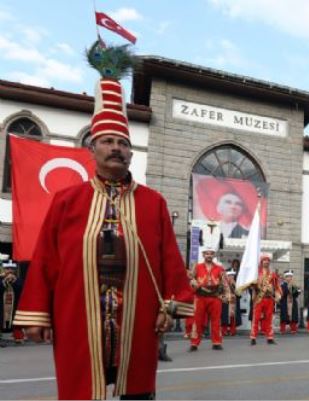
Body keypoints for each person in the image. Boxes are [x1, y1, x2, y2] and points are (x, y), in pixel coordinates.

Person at [11, 73, 195, 398]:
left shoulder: (153, 203)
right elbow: (45, 260)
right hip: (78, 314)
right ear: (92, 149)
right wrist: (37, 313)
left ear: (131, 155)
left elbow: (170, 259)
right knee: (81, 387)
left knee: (136, 387)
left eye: (123, 143)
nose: (117, 149)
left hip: (137, 316)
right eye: (108, 142)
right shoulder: (66, 201)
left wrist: (173, 305)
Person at [190, 248, 228, 351]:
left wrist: (227, 295)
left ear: (213, 256)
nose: (209, 255)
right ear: (203, 255)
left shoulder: (219, 268)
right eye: (207, 254)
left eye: (211, 254)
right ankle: (194, 343)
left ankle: (216, 342)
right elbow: (190, 278)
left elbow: (225, 283)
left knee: (216, 321)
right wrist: (193, 282)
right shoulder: (197, 267)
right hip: (200, 297)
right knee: (197, 321)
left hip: (215, 297)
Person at [250, 255, 281, 345]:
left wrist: (278, 294)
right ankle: (253, 337)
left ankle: (270, 337)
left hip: (269, 298)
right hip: (259, 298)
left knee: (269, 318)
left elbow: (277, 286)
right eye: (264, 260)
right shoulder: (256, 274)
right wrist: (255, 286)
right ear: (261, 262)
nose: (266, 262)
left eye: (268, 260)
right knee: (256, 318)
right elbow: (251, 286)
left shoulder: (272, 274)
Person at [2, 259, 25, 346]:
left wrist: (14, 282)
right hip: (2, 305)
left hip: (15, 304)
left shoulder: (18, 279)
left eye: (11, 268)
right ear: (4, 269)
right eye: (7, 268)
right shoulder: (1, 278)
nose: (10, 270)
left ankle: (18, 336)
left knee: (16, 321)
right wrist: (4, 282)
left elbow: (22, 289)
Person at [221, 270, 241, 336]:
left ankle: (233, 331)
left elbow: (239, 294)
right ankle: (224, 331)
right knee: (225, 317)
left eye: (233, 276)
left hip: (233, 302)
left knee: (233, 318)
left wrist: (235, 285)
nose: (232, 277)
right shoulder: (223, 283)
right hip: (226, 302)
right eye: (230, 276)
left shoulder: (235, 284)